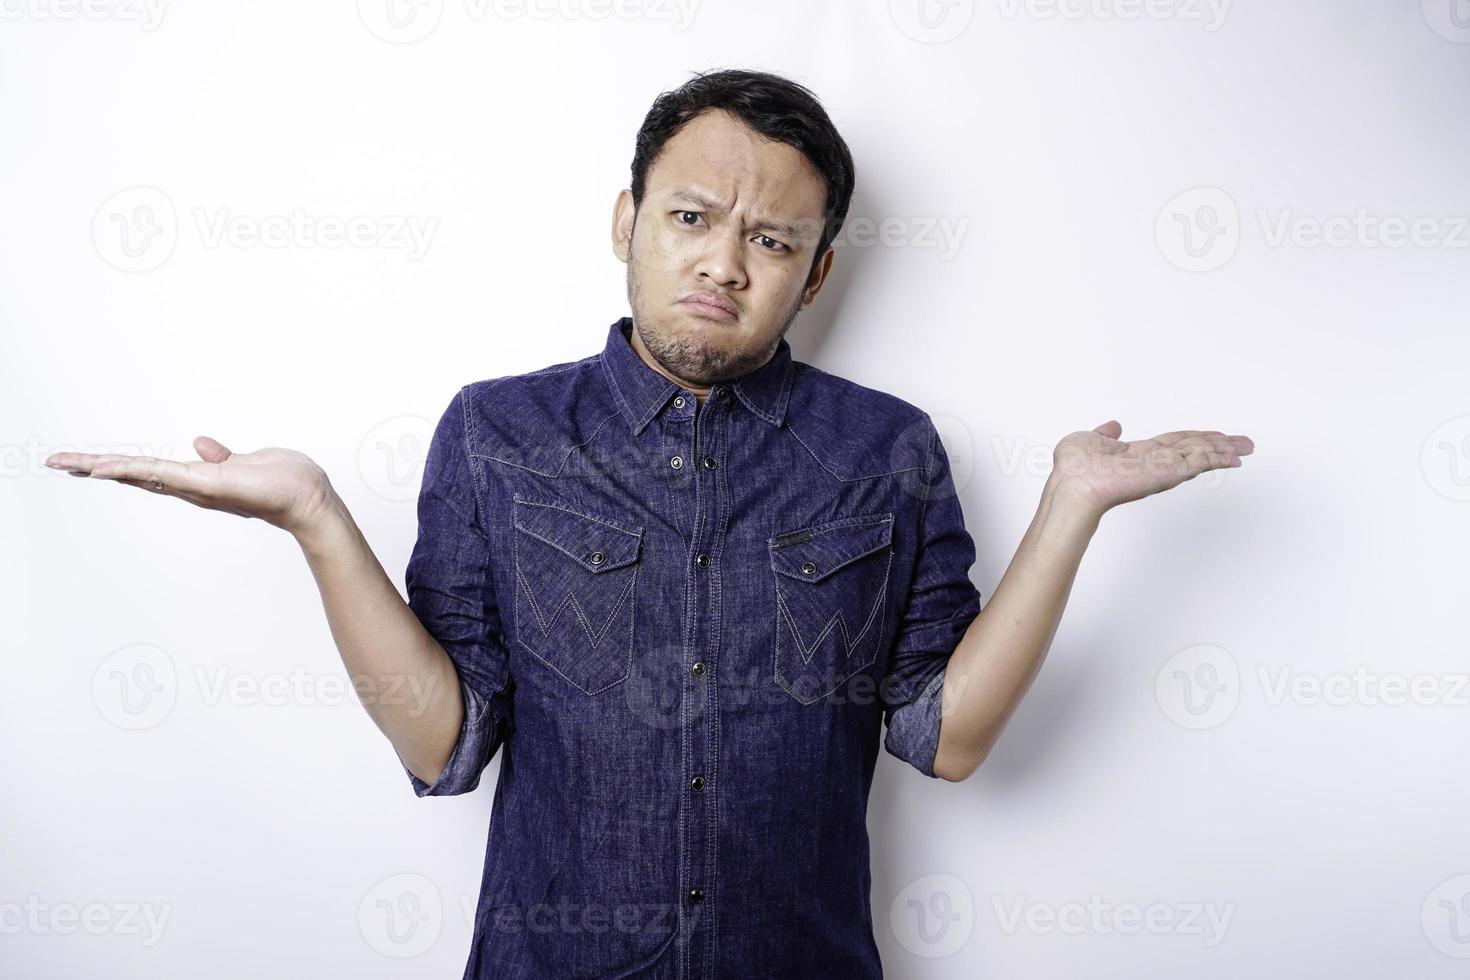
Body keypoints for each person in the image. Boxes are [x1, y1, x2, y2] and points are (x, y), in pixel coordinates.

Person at [47, 68, 1253, 979]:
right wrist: (316, 517)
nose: (725, 262)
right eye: (691, 217)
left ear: (814, 274)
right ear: (626, 219)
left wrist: (1070, 510)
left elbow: (946, 736)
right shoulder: (498, 433)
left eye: (771, 239)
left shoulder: (886, 449)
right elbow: (444, 747)